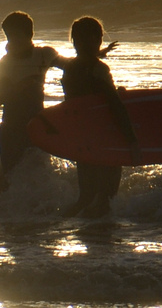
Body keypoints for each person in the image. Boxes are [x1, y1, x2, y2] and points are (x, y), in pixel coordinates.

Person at [59, 15, 138, 218]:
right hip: (105, 137)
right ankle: (101, 242)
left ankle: (62, 223)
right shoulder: (99, 70)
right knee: (106, 197)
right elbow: (114, 106)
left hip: (81, 137)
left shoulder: (70, 69)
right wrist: (131, 140)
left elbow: (86, 96)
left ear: (73, 41)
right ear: (98, 40)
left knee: (85, 196)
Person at [0, 11, 67, 194]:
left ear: (29, 34)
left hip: (37, 127)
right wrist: (14, 90)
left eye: (15, 35)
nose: (11, 41)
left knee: (39, 177)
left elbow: (72, 66)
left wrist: (94, 55)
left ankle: (34, 217)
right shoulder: (1, 66)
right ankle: (8, 216)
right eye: (8, 36)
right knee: (11, 180)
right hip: (11, 130)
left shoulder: (44, 55)